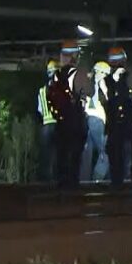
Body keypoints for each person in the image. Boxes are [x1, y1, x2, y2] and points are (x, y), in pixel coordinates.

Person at [102, 46, 132, 187]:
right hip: (131, 120)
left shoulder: (105, 80)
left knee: (116, 155)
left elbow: (103, 100)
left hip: (113, 122)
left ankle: (117, 182)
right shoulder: (130, 77)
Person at [47, 39, 90, 188]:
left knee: (62, 156)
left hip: (60, 122)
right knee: (75, 158)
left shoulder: (55, 76)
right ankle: (73, 189)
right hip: (76, 121)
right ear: (75, 56)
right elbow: (89, 91)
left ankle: (61, 186)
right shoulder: (78, 74)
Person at [80, 60, 111, 182]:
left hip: (87, 119)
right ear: (101, 72)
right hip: (96, 120)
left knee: (87, 153)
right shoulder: (96, 81)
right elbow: (108, 97)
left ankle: (84, 183)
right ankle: (97, 180)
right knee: (106, 152)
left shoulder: (87, 81)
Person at [36, 59, 58, 182]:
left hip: (45, 126)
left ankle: (46, 182)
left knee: (46, 155)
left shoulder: (41, 90)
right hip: (57, 125)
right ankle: (56, 181)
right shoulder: (60, 89)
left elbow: (39, 109)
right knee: (57, 154)